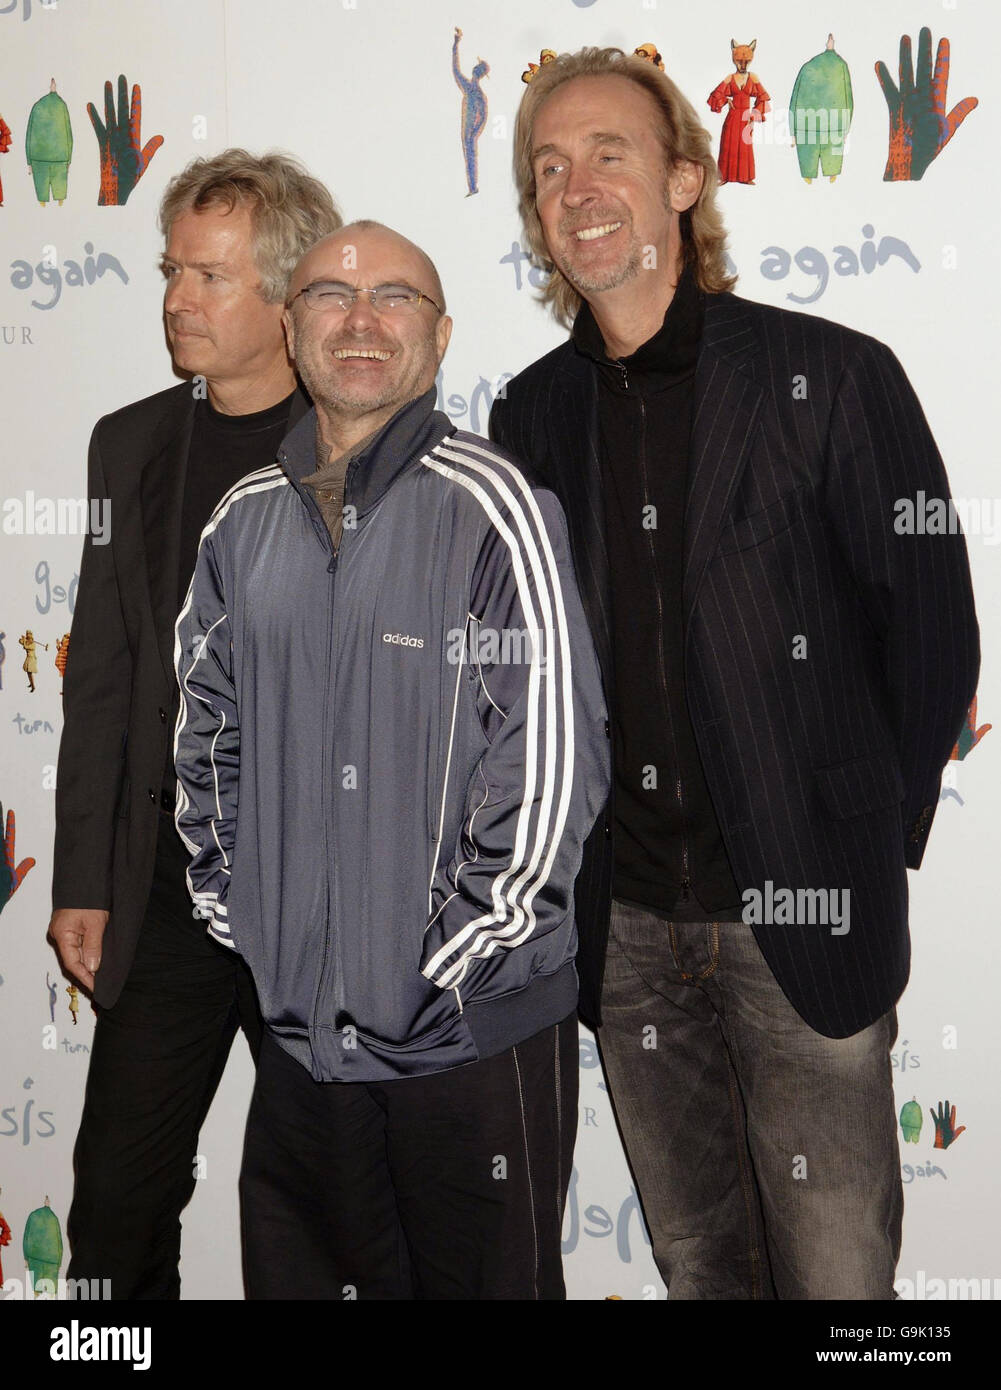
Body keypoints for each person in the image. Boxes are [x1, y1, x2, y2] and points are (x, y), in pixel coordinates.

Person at [490, 46, 979, 1300]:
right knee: (700, 1266)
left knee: (838, 1279)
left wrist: (865, 832)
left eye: (608, 154)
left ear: (683, 182)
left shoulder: (832, 374)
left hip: (803, 913)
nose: (576, 187)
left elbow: (933, 628)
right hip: (623, 931)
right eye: (548, 167)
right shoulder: (529, 417)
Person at [173, 220, 609, 1299]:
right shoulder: (241, 524)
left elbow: (551, 760)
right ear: (291, 326)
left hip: (466, 1038)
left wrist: (445, 966)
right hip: (298, 1046)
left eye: (394, 298)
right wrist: (250, 921)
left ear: (441, 334)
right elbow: (207, 737)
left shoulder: (493, 507)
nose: (360, 320)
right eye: (330, 294)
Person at [47, 149, 342, 1300]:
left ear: (285, 294)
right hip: (165, 894)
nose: (178, 298)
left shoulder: (364, 444)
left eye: (209, 276)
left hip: (314, 906)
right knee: (115, 1212)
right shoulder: (127, 446)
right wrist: (85, 877)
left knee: (321, 1218)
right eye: (173, 270)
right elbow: (101, 679)